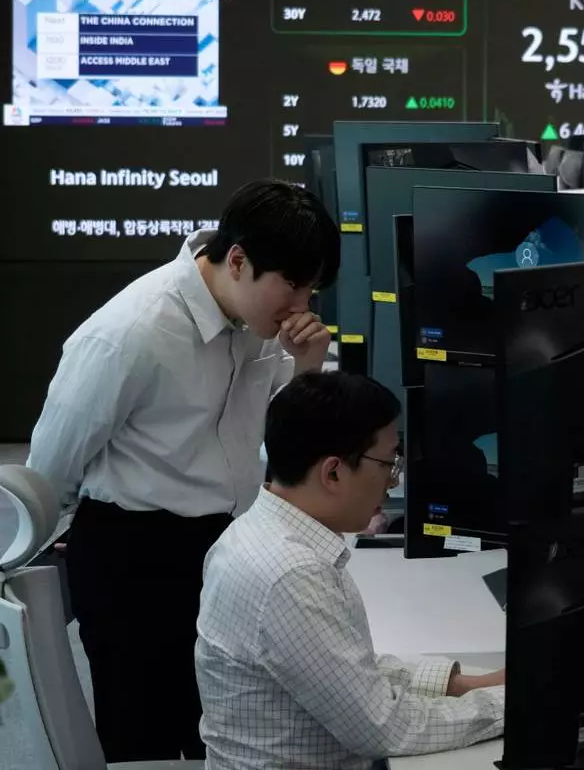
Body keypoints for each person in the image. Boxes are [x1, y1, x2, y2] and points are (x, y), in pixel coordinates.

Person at [26, 179, 340, 761]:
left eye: (312, 289)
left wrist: (309, 370)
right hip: (134, 556)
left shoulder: (267, 328)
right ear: (238, 261)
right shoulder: (131, 332)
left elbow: (285, 447)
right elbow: (49, 468)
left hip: (225, 546)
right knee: (141, 735)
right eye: (293, 286)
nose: (302, 306)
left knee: (225, 728)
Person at [195, 371, 505, 769]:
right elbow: (384, 728)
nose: (392, 483)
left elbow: (348, 671)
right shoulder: (291, 575)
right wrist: (512, 703)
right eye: (388, 463)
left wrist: (464, 685)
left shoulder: (260, 532)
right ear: (334, 472)